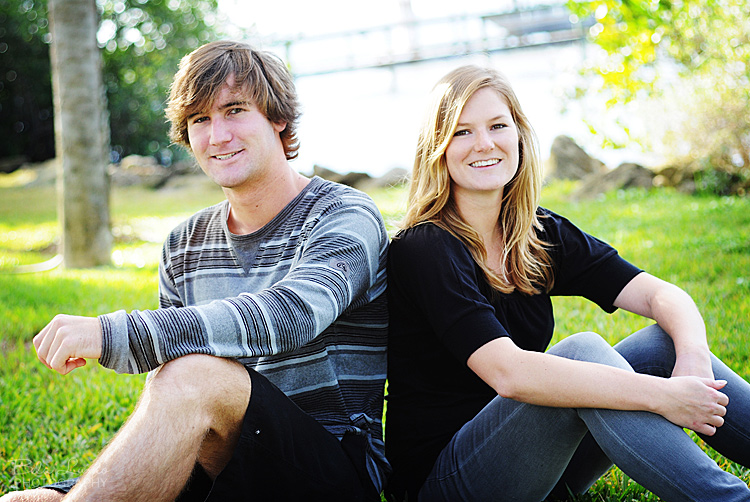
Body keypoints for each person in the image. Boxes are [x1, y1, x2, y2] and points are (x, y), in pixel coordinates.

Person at [2, 40, 390, 502]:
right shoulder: (185, 243)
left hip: (333, 470)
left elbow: (291, 315)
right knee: (29, 501)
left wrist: (113, 334)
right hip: (222, 468)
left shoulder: (344, 214)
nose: (217, 135)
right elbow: (175, 397)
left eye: (234, 110)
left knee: (194, 374)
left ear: (278, 118)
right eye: (200, 119)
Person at [384, 64, 750, 502]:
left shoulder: (534, 231)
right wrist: (663, 395)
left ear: (519, 135)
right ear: (437, 148)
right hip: (448, 480)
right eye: (462, 132)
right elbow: (510, 373)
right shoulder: (423, 248)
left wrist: (693, 361)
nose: (484, 144)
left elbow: (661, 294)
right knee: (582, 352)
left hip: (541, 465)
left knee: (664, 344)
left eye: (497, 125)